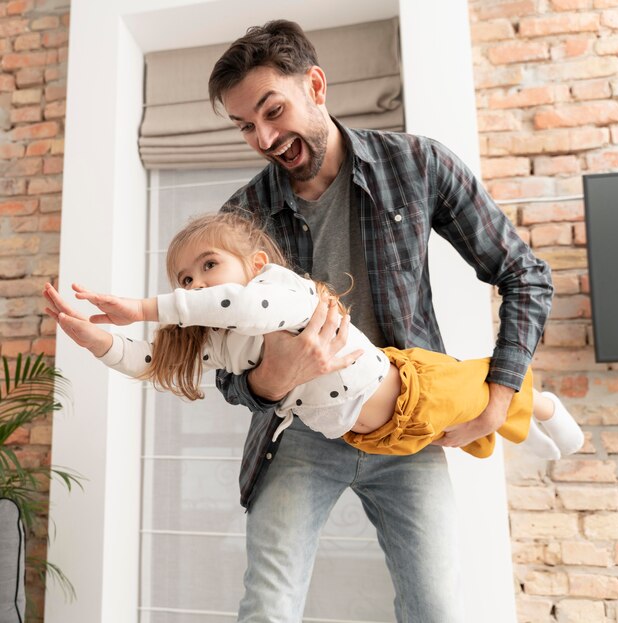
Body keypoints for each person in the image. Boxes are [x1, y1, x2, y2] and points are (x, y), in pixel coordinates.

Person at [197, 19, 556, 622]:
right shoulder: (241, 218)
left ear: (315, 84)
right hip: (301, 435)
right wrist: (270, 379)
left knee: (436, 610)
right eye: (244, 126)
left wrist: (498, 399)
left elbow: (523, 272)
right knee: (267, 609)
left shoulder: (415, 164)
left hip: (408, 425)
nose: (262, 137)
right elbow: (227, 372)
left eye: (272, 111)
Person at [42, 213, 583, 464]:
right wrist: (96, 342)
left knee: (489, 399)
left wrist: (142, 307)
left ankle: (543, 407)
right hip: (376, 434)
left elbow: (237, 303)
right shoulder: (226, 344)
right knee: (467, 431)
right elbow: (152, 361)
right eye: (184, 280)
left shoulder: (278, 292)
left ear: (254, 265)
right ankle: (528, 430)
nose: (196, 285)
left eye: (208, 265)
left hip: (414, 389)